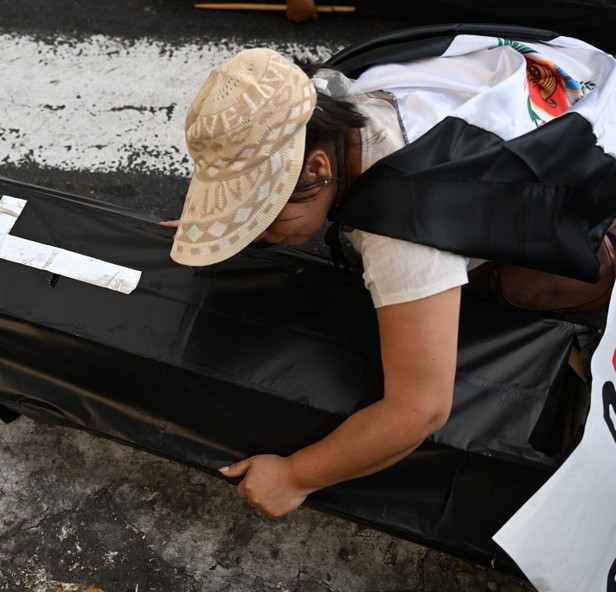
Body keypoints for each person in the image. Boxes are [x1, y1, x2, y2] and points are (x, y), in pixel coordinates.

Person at [161, 34, 616, 519]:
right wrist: (222, 220)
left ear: (316, 167)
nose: (257, 231)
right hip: (588, 82)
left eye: (264, 214)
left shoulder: (402, 228)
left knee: (506, 289)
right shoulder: (334, 91)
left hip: (595, 193)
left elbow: (418, 410)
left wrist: (296, 476)